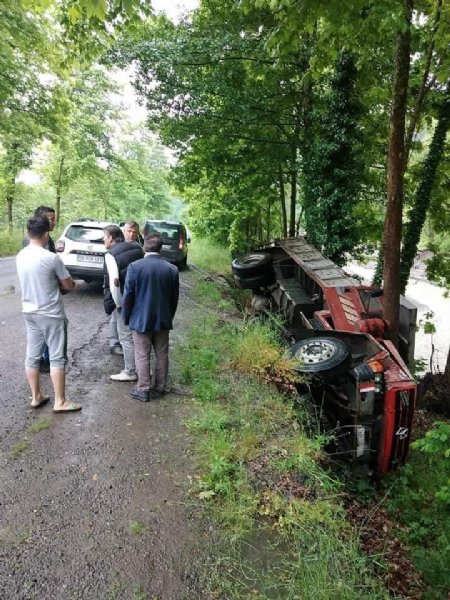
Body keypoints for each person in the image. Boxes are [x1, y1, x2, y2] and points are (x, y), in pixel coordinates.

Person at [16, 216, 82, 413]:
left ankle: (36, 396)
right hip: (51, 313)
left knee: (32, 355)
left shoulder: (21, 255)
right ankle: (60, 401)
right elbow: (67, 285)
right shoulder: (51, 258)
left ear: (29, 233)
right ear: (46, 234)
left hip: (29, 311)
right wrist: (75, 285)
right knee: (57, 357)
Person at [122, 234, 179, 402]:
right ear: (160, 248)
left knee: (142, 354)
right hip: (163, 319)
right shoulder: (171, 269)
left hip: (140, 320)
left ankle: (144, 388)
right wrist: (169, 316)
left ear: (144, 247)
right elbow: (174, 298)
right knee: (162, 353)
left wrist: (127, 317)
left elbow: (128, 297)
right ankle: (160, 387)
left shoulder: (135, 267)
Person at [103, 224, 143, 381]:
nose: (103, 240)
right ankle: (143, 369)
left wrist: (117, 304)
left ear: (111, 238)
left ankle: (130, 371)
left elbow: (114, 283)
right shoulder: (137, 249)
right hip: (139, 298)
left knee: (126, 337)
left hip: (125, 300)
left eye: (104, 237)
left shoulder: (110, 255)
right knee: (139, 336)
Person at [23, 206, 58, 372]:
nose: (54, 222)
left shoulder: (48, 238)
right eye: (51, 219)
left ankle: (46, 359)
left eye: (54, 218)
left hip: (46, 294)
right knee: (42, 330)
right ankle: (46, 361)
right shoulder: (33, 241)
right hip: (38, 297)